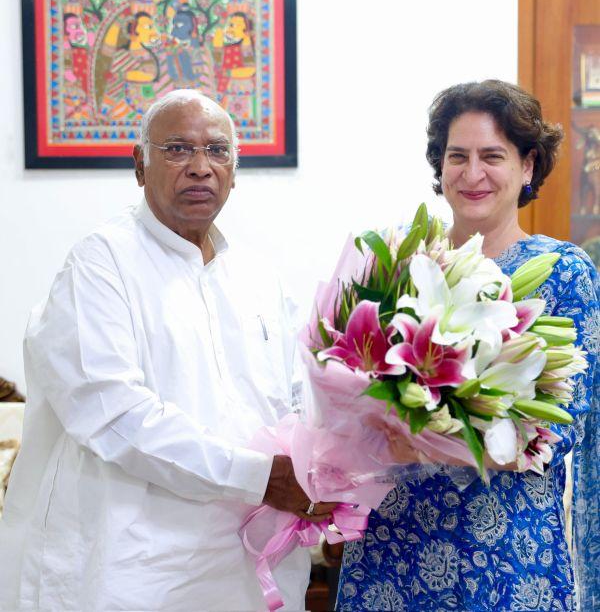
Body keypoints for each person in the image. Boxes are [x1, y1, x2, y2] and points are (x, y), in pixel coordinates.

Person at [0, 89, 336, 611]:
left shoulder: (256, 275)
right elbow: (112, 412)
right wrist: (258, 477)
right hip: (137, 566)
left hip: (245, 561)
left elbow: (293, 397)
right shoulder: (102, 261)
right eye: (178, 149)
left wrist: (329, 461)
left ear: (234, 169)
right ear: (140, 165)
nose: (201, 167)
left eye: (217, 151)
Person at [336, 80, 599, 611]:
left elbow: (563, 425)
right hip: (394, 543)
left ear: (528, 167)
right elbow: (346, 383)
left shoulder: (563, 274)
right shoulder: (400, 262)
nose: (472, 173)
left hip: (507, 553)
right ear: (439, 166)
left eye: (492, 156)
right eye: (457, 156)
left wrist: (429, 436)